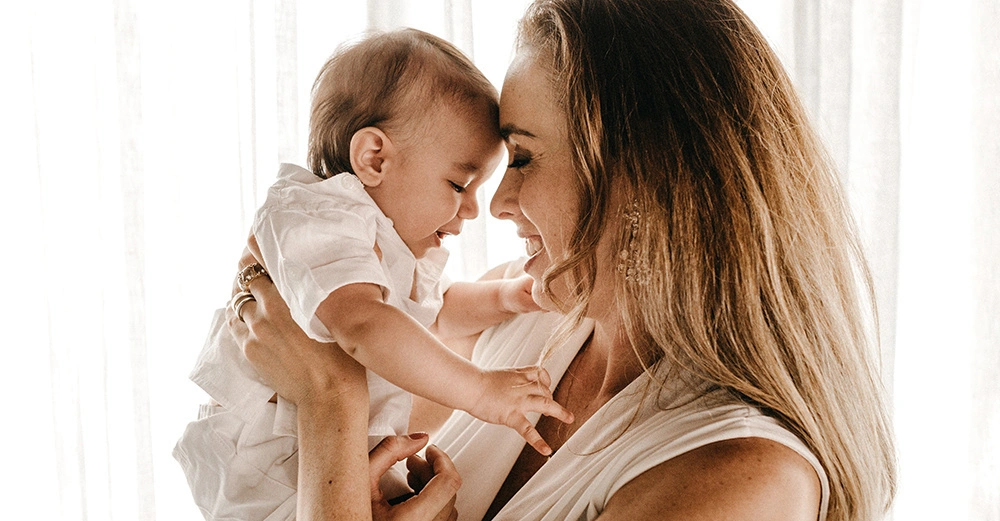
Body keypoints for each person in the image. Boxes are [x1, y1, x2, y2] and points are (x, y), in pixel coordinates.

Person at [225, 0, 899, 520]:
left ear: (644, 175)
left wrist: (330, 397)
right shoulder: (516, 318)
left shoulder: (740, 478)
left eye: (521, 157)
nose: (496, 204)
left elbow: (336, 412)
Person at [173, 28, 572, 521]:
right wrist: (480, 390)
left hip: (326, 460)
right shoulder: (316, 216)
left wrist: (508, 297)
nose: (474, 209)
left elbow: (434, 314)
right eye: (459, 184)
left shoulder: (382, 242)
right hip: (270, 473)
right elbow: (365, 324)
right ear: (374, 159)